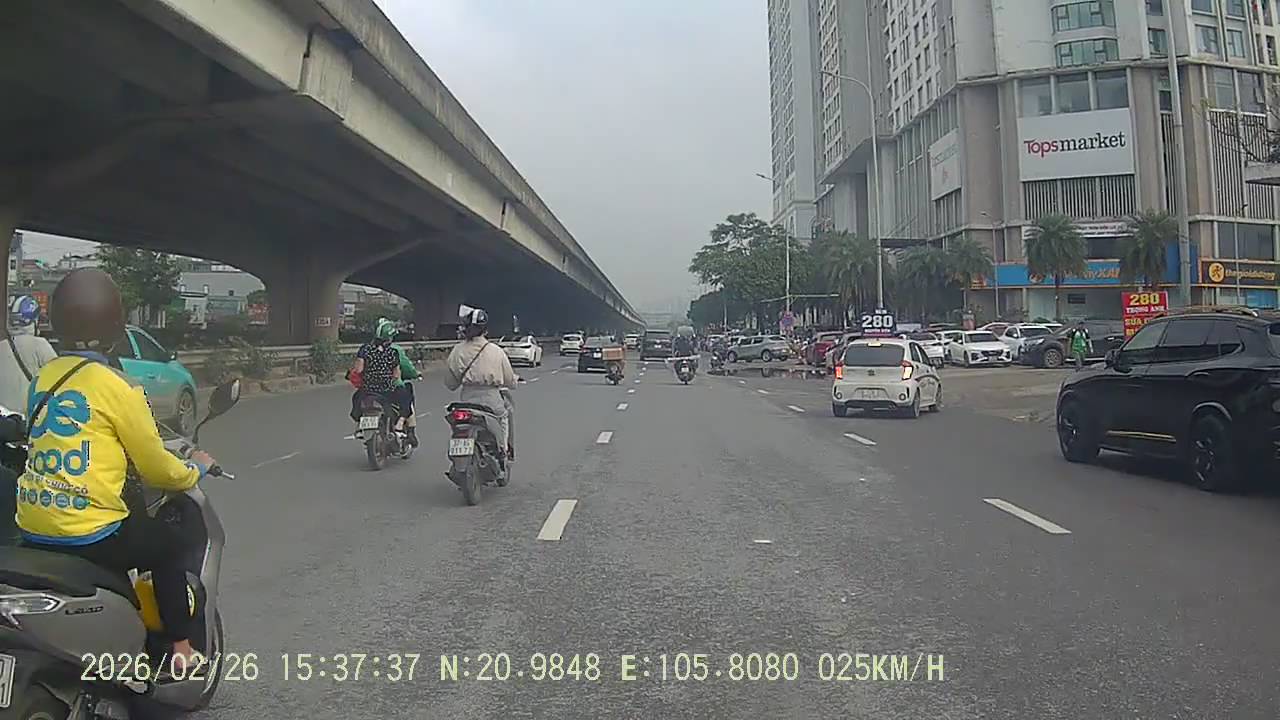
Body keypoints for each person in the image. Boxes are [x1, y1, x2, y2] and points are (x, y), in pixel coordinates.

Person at [16, 269, 215, 672]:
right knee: (170, 545)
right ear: (115, 325)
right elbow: (156, 467)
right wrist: (194, 469)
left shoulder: (43, 378)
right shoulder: (118, 386)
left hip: (33, 523)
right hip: (89, 532)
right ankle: (180, 648)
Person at [445, 307, 516, 471]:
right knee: (504, 417)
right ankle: (503, 452)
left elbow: (450, 384)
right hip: (491, 401)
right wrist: (514, 381)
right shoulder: (496, 351)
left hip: (466, 401)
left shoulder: (457, 351)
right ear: (486, 329)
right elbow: (510, 381)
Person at [349, 318, 414, 440]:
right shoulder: (392, 352)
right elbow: (396, 375)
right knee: (406, 396)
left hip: (368, 390)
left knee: (356, 398)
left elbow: (358, 370)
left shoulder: (365, 349)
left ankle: (359, 425)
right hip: (387, 391)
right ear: (389, 338)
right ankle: (400, 423)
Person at [0, 295, 58, 414]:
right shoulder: (40, 345)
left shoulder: (1, 345)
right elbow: (58, 380)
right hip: (28, 418)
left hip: (4, 419)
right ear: (34, 321)